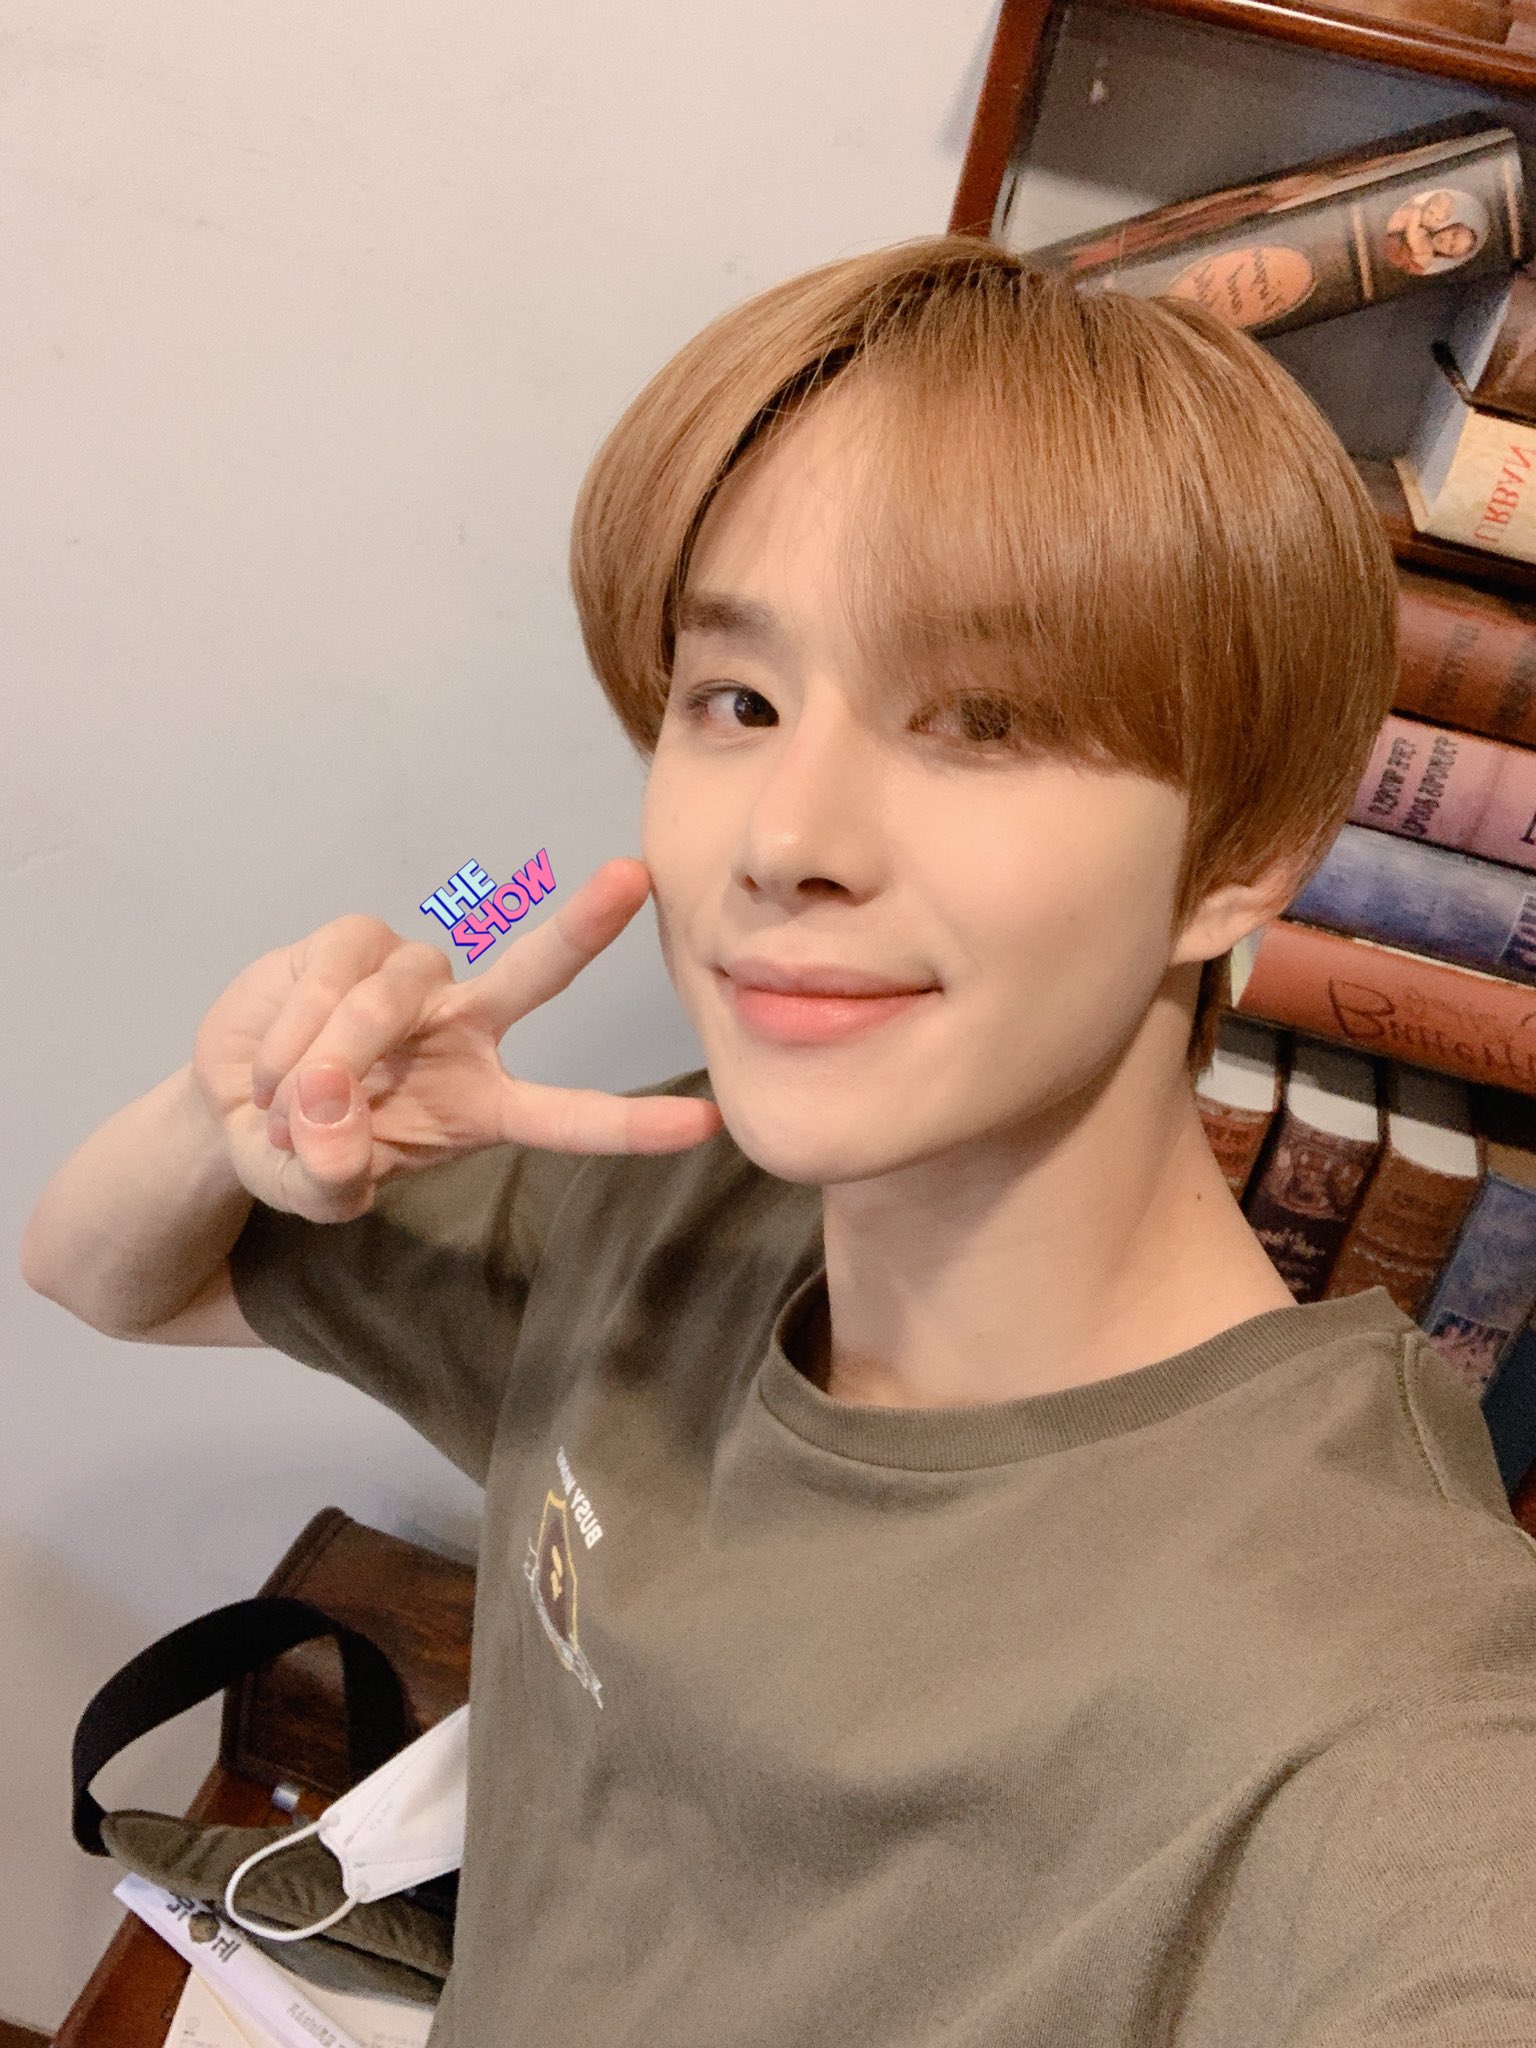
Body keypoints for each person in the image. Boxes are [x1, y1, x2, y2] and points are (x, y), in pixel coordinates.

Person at [22, 234, 1536, 2045]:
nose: (785, 837)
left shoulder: (1376, 1701)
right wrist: (242, 1116)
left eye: (983, 721)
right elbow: (103, 1273)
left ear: (1247, 851)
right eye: (734, 702)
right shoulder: (679, 1208)